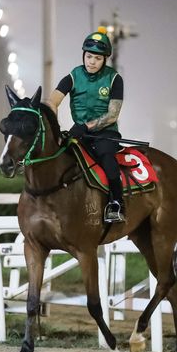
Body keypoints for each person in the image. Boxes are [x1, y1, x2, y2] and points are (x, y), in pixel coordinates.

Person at [47, 26, 125, 223]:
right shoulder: (73, 76)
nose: (92, 62)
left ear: (105, 59)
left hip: (105, 134)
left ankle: (116, 203)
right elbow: (52, 102)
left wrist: (86, 127)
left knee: (106, 157)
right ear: (84, 55)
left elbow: (113, 115)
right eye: (89, 56)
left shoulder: (114, 79)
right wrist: (54, 127)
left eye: (98, 58)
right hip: (78, 133)